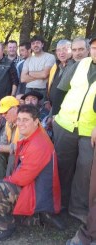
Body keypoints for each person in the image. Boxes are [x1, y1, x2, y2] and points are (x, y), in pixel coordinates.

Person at [0, 104, 62, 243]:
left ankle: (6, 227)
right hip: (36, 187)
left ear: (36, 121)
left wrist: (7, 180)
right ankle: (36, 218)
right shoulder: (33, 135)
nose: (20, 123)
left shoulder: (38, 144)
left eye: (25, 120)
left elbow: (22, 178)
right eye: (19, 119)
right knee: (3, 186)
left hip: (39, 193)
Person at [53, 36, 96, 223]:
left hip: (89, 131)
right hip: (65, 125)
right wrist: (55, 116)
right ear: (90, 49)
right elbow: (60, 90)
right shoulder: (79, 65)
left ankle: (77, 209)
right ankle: (59, 205)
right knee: (62, 166)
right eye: (94, 47)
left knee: (84, 170)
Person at [21, 35, 56, 101]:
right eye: (33, 43)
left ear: (42, 44)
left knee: (41, 110)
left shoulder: (50, 57)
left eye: (38, 43)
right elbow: (23, 79)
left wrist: (30, 73)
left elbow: (45, 74)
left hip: (42, 90)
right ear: (31, 46)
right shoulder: (28, 60)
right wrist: (40, 75)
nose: (35, 45)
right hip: (28, 90)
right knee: (28, 110)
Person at [47, 39, 74, 117]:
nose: (61, 53)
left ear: (71, 50)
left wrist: (52, 113)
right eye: (58, 50)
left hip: (63, 109)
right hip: (51, 105)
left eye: (65, 49)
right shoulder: (56, 65)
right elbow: (48, 83)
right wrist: (47, 100)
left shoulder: (73, 67)